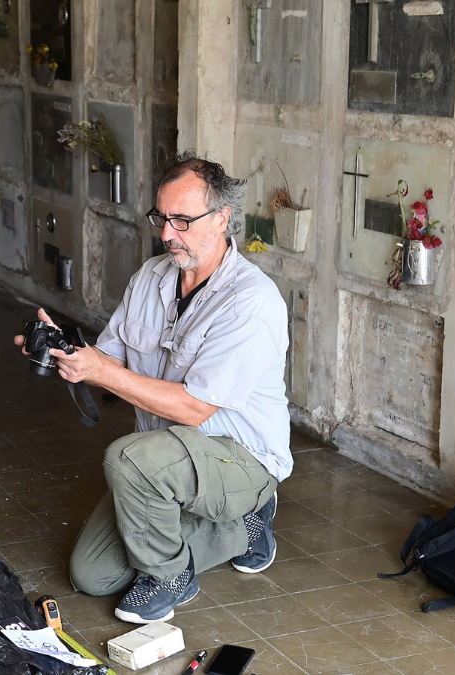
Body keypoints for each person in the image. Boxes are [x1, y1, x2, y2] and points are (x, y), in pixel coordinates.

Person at [15, 152, 291, 624]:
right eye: (161, 218)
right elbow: (112, 358)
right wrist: (70, 353)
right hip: (166, 462)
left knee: (128, 458)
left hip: (239, 457)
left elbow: (193, 408)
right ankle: (232, 526)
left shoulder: (251, 303)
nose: (166, 234)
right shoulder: (152, 277)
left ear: (223, 218)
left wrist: (100, 373)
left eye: (182, 220)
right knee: (91, 574)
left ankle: (180, 568)